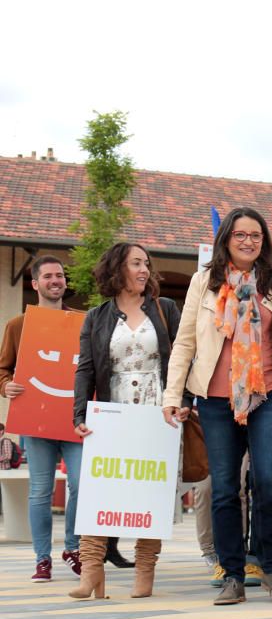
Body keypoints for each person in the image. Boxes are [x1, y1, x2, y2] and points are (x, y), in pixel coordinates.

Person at [162, 207, 272, 605]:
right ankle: (232, 575)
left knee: (266, 484)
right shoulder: (202, 283)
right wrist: (174, 394)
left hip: (269, 395)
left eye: (255, 235)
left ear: (265, 241)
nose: (248, 241)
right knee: (224, 489)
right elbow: (186, 343)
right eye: (240, 234)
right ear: (225, 239)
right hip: (214, 398)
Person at [70, 243, 181, 599]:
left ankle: (144, 571)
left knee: (151, 491)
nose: (144, 270)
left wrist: (184, 401)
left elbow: (182, 359)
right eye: (136, 263)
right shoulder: (96, 317)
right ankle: (90, 572)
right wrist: (80, 413)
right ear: (117, 269)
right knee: (98, 489)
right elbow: (86, 368)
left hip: (157, 409)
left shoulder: (165, 310)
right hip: (112, 412)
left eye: (146, 264)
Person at [0, 256, 83, 582]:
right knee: (40, 491)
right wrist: (7, 387)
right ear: (35, 283)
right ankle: (42, 559)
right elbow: (3, 369)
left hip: (75, 420)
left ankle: (73, 548)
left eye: (60, 275)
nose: (55, 280)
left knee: (80, 484)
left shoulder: (81, 322)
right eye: (48, 276)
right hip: (36, 419)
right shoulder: (19, 325)